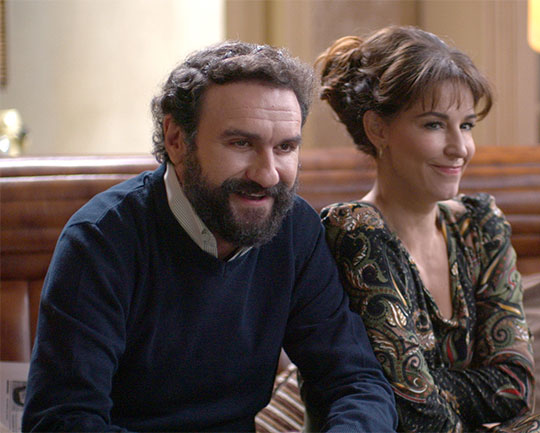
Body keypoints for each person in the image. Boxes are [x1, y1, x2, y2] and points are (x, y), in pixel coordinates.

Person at [22, 41, 397, 433]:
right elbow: (62, 421)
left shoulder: (294, 228)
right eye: (241, 143)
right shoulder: (100, 240)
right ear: (176, 139)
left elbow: (357, 382)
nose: (268, 174)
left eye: (285, 147)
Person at [316, 26, 540, 433]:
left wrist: (428, 387)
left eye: (466, 125)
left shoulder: (481, 225)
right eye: (433, 125)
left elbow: (515, 387)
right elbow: (415, 414)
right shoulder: (357, 233)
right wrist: (452, 394)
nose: (460, 148)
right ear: (378, 129)